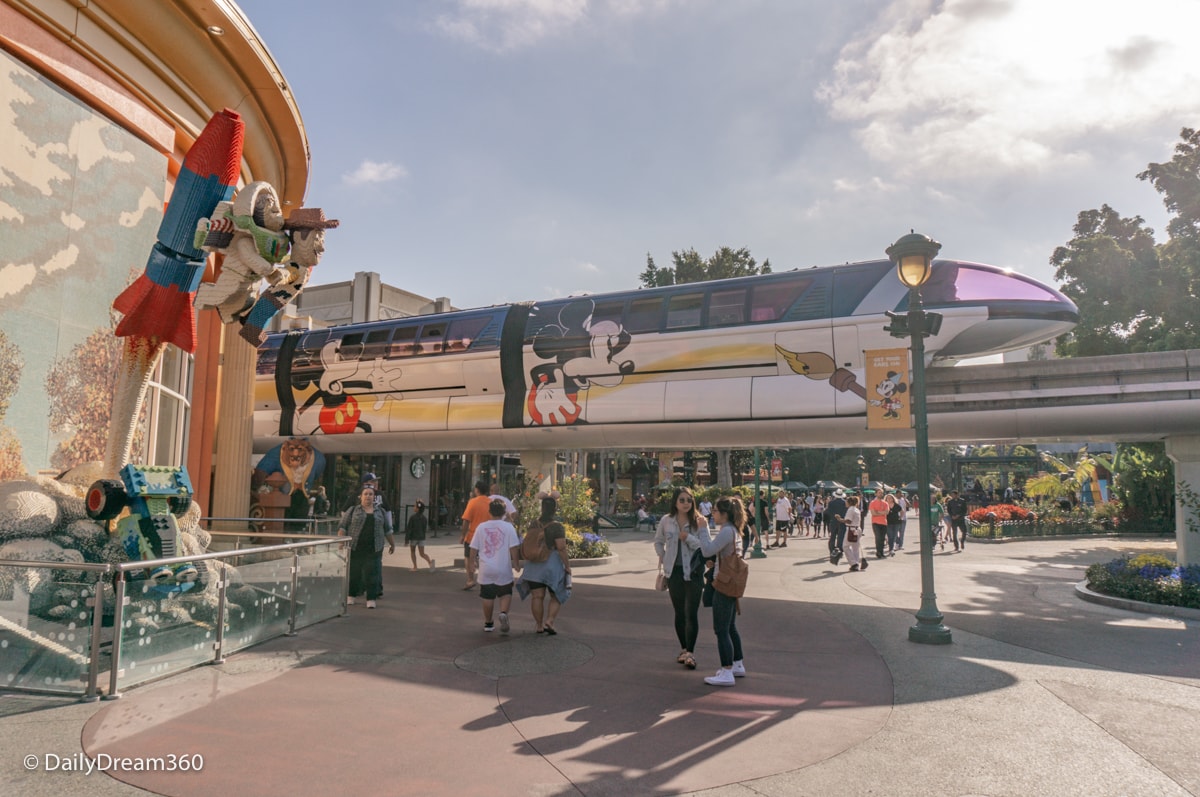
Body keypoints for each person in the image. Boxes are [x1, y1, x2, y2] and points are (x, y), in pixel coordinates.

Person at [696, 495, 748, 686]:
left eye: (715, 511)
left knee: (721, 629)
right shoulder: (733, 530)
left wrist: (703, 529)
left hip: (724, 584)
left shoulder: (727, 531)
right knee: (730, 627)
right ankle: (737, 664)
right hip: (731, 582)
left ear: (724, 514)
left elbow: (707, 550)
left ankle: (727, 672)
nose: (712, 514)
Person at [653, 487, 707, 670]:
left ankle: (690, 653)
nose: (686, 503)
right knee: (679, 612)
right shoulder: (666, 521)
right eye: (682, 500)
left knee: (691, 612)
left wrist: (688, 538)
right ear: (675, 502)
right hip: (673, 572)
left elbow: (706, 547)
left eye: (689, 500)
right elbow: (658, 540)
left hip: (693, 573)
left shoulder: (699, 522)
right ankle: (683, 649)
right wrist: (663, 555)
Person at [518, 491, 571, 635]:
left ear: (542, 508)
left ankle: (539, 625)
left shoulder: (533, 524)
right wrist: (567, 566)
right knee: (557, 595)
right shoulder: (556, 527)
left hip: (533, 565)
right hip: (551, 564)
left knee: (537, 596)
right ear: (555, 509)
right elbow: (561, 548)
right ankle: (550, 621)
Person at [337, 486, 395, 609]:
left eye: (370, 494)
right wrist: (341, 543)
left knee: (372, 574)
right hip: (355, 547)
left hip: (374, 548)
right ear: (361, 496)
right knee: (354, 573)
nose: (368, 496)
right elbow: (343, 526)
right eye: (366, 494)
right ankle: (351, 595)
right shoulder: (353, 510)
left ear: (374, 497)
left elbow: (388, 530)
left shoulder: (380, 512)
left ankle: (371, 598)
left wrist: (392, 543)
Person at [469, 499, 521, 632]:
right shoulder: (509, 527)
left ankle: (488, 623)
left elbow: (473, 548)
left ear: (489, 511)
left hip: (486, 568)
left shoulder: (481, 527)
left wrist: (471, 562)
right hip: (503, 567)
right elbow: (514, 547)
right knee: (505, 593)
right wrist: (516, 563)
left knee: (487, 596)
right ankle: (503, 613)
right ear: (504, 512)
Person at [460, 481, 492, 589]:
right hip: (487, 536)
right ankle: (487, 579)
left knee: (468, 557)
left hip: (472, 536)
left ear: (477, 490)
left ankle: (470, 579)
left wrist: (462, 535)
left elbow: (466, 520)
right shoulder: (491, 502)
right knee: (486, 558)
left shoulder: (472, 502)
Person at [837, 496, 869, 572]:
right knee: (855, 547)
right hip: (857, 528)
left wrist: (840, 519)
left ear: (849, 502)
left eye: (846, 501)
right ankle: (856, 562)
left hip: (851, 529)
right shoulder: (856, 509)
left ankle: (853, 563)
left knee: (845, 546)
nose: (845, 502)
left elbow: (848, 521)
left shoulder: (850, 510)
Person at [405, 501, 435, 571]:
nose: (414, 507)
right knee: (422, 553)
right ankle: (430, 562)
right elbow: (424, 529)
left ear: (417, 509)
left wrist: (407, 539)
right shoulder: (424, 518)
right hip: (422, 537)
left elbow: (409, 529)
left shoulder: (412, 517)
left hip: (414, 537)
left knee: (413, 551)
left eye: (415, 506)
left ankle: (415, 567)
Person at [825, 489, 848, 563]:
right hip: (842, 521)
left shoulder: (831, 503)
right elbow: (846, 512)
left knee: (832, 536)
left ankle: (832, 550)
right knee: (840, 537)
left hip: (833, 521)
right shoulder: (845, 503)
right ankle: (839, 550)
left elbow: (828, 512)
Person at [868, 491, 889, 560]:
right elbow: (873, 513)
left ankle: (881, 552)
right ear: (876, 494)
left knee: (882, 538)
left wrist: (878, 512)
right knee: (878, 537)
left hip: (884, 522)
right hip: (875, 522)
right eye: (879, 493)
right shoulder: (872, 503)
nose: (880, 494)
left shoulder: (885, 503)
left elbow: (887, 512)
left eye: (881, 493)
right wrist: (882, 513)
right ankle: (878, 552)